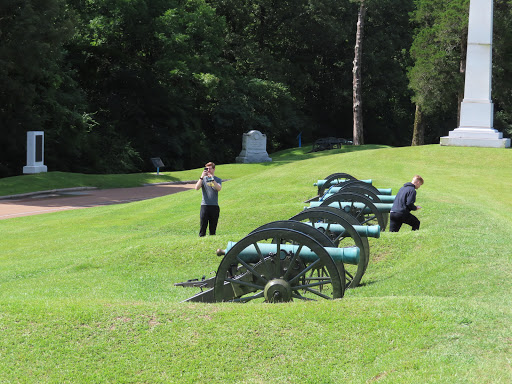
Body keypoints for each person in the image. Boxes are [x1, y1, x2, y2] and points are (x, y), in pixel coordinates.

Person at [195, 162, 222, 237]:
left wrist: (212, 179)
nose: (208, 170)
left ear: (214, 169)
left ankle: (211, 242)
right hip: (205, 205)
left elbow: (218, 188)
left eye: (210, 168)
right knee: (203, 227)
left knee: (213, 230)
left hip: (214, 206)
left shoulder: (218, 179)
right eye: (207, 169)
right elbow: (196, 188)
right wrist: (201, 177)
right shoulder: (203, 179)